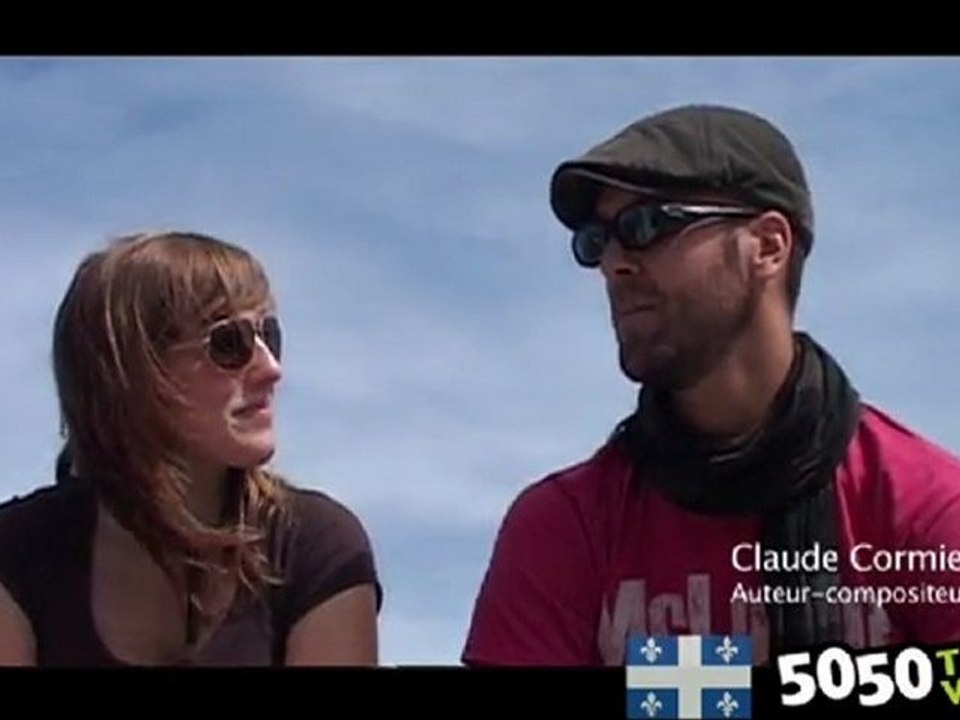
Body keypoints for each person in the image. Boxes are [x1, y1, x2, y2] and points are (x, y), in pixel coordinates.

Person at [462, 103, 960, 666]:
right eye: (598, 242)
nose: (613, 265)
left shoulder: (925, 508)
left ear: (768, 247)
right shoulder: (563, 528)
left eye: (646, 226)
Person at [0, 230, 381, 666]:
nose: (271, 370)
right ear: (130, 376)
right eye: (228, 343)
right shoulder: (18, 554)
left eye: (268, 335)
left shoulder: (316, 547)